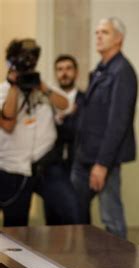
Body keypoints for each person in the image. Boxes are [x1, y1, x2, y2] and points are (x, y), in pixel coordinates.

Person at [71, 17, 138, 238]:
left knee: (111, 218)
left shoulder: (123, 71)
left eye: (105, 32)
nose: (98, 36)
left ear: (119, 38)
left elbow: (118, 122)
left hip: (103, 158)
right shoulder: (100, 69)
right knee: (76, 214)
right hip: (85, 154)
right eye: (97, 32)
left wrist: (102, 164)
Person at [0, 38, 73, 226]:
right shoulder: (3, 91)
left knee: (70, 210)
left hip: (45, 165)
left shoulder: (42, 87)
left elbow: (66, 105)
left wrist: (42, 87)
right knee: (16, 227)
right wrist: (14, 86)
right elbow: (7, 124)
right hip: (13, 168)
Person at [40, 54, 86, 225]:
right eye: (60, 69)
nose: (64, 73)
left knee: (79, 212)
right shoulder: (46, 102)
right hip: (53, 163)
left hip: (78, 163)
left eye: (68, 69)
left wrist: (66, 119)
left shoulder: (85, 99)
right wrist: (58, 119)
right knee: (52, 213)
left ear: (76, 72)